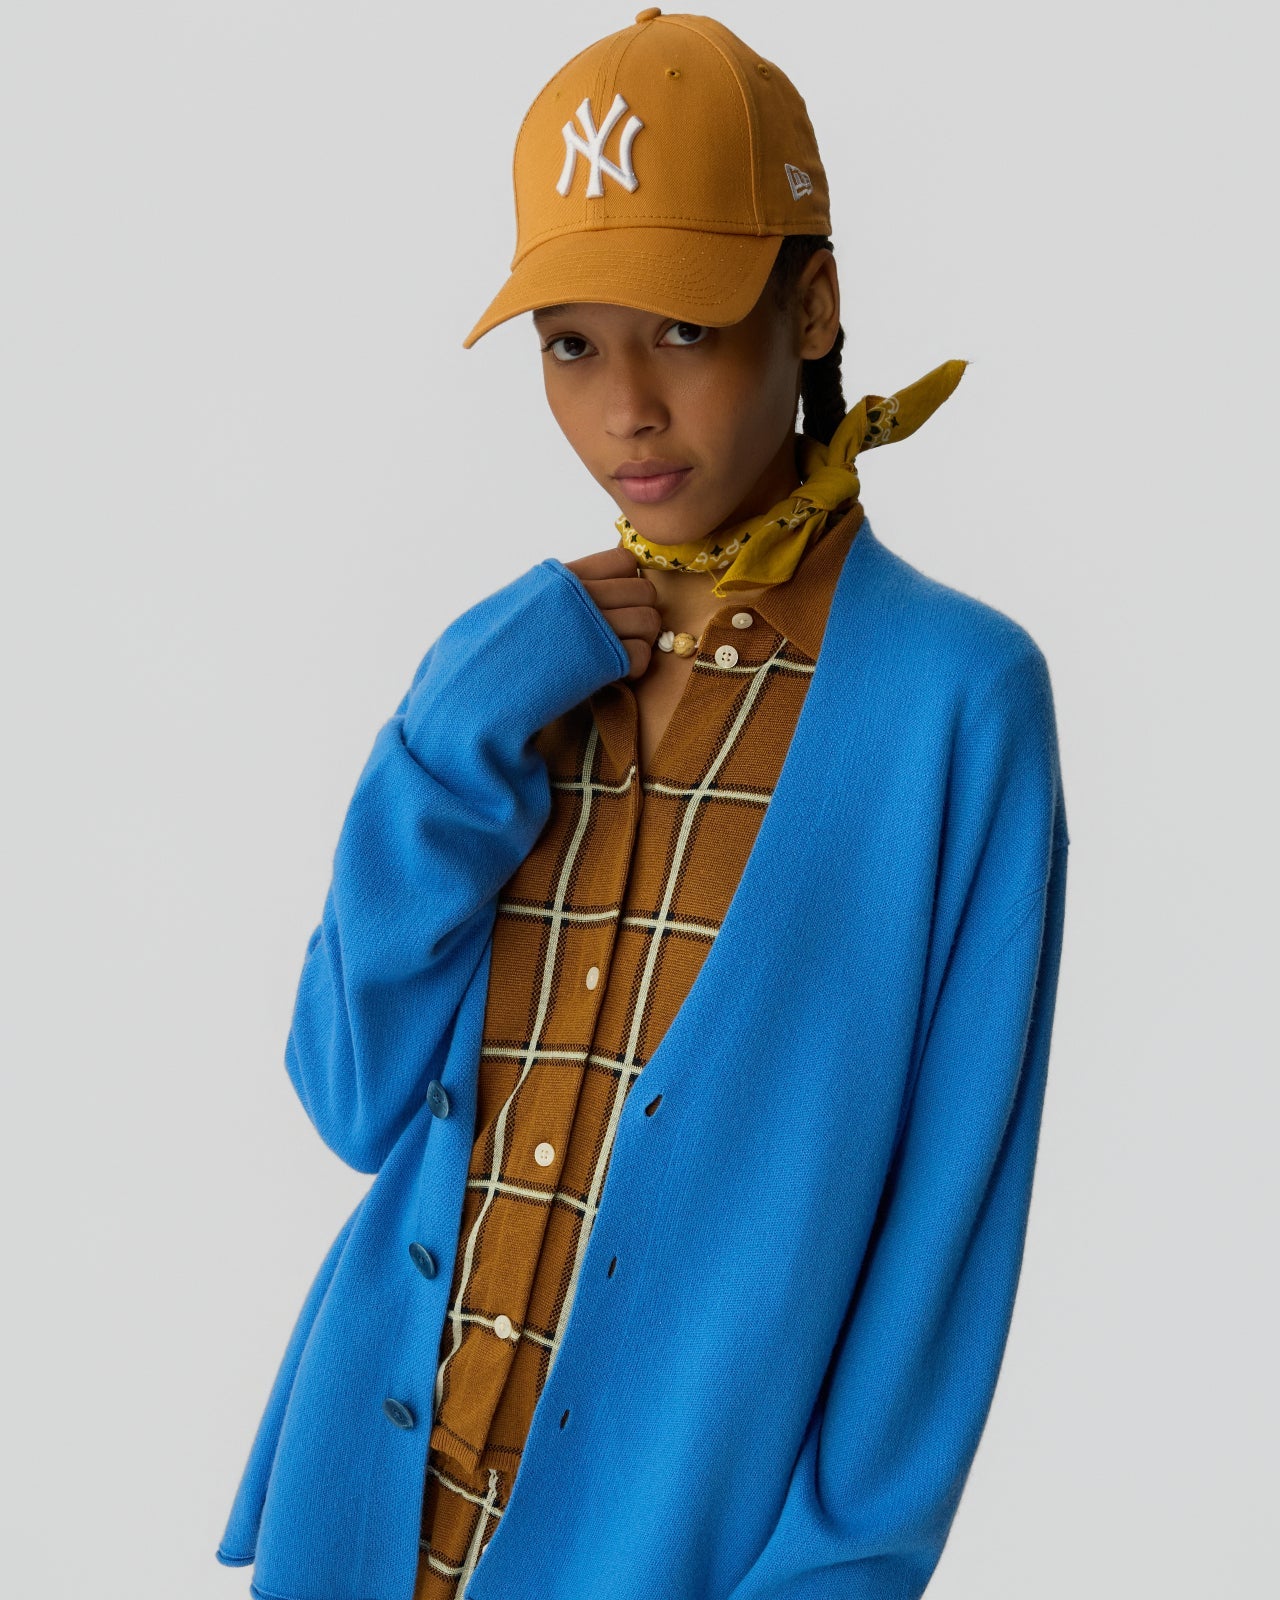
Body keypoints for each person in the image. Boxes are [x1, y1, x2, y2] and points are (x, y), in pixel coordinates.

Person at [215, 11, 1069, 1600]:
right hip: (374, 1527)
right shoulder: (513, 671)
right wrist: (443, 740)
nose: (624, 410)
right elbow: (348, 1092)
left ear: (811, 307)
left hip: (670, 1561)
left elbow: (948, 1227)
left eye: (681, 328)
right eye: (570, 344)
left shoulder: (955, 704)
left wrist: (836, 1578)